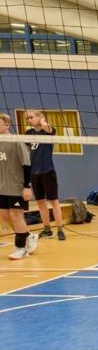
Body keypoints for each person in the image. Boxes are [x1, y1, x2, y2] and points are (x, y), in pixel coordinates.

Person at [0, 112, 37, 260]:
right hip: (2, 186)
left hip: (17, 186)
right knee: (4, 216)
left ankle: (20, 248)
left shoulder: (16, 141)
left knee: (16, 216)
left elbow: (27, 165)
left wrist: (27, 186)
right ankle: (27, 236)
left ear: (7, 125)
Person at [24, 109, 65, 241]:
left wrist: (43, 122)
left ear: (40, 117)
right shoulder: (28, 133)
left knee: (54, 201)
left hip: (47, 171)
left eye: (31, 117)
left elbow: (48, 129)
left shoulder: (48, 131)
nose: (29, 120)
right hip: (34, 172)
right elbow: (26, 150)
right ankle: (47, 229)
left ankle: (60, 229)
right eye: (27, 118)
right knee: (40, 202)